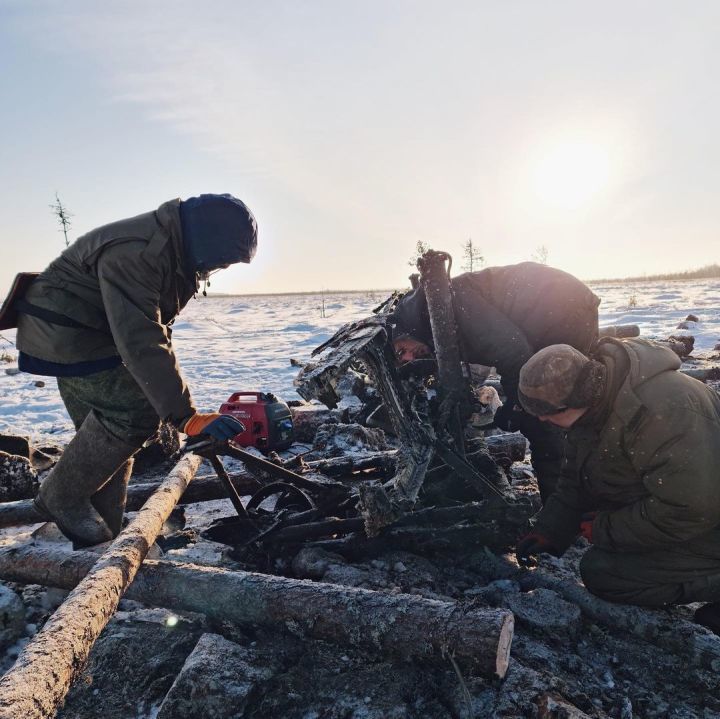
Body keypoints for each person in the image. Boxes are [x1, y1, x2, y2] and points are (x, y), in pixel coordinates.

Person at [14, 194, 256, 547]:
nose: (222, 267)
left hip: (92, 332)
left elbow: (157, 329)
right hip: (66, 335)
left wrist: (175, 405)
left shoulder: (176, 252)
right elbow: (140, 337)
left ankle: (100, 533)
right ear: (206, 239)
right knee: (134, 413)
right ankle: (61, 496)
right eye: (224, 259)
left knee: (106, 433)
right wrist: (184, 416)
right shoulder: (140, 252)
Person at [515, 338, 720, 634]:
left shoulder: (661, 411)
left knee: (605, 575)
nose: (542, 418)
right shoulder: (597, 403)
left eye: (547, 411)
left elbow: (692, 508)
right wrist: (549, 531)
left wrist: (605, 529)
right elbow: (575, 478)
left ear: (576, 398)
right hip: (692, 508)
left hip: (706, 518)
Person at [390, 262, 600, 500]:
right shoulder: (429, 317)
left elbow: (513, 352)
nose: (409, 358)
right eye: (402, 361)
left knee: (547, 414)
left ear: (403, 332)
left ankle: (564, 510)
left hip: (561, 309)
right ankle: (588, 485)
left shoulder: (449, 304)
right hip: (558, 308)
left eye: (401, 351)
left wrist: (518, 405)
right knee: (567, 405)